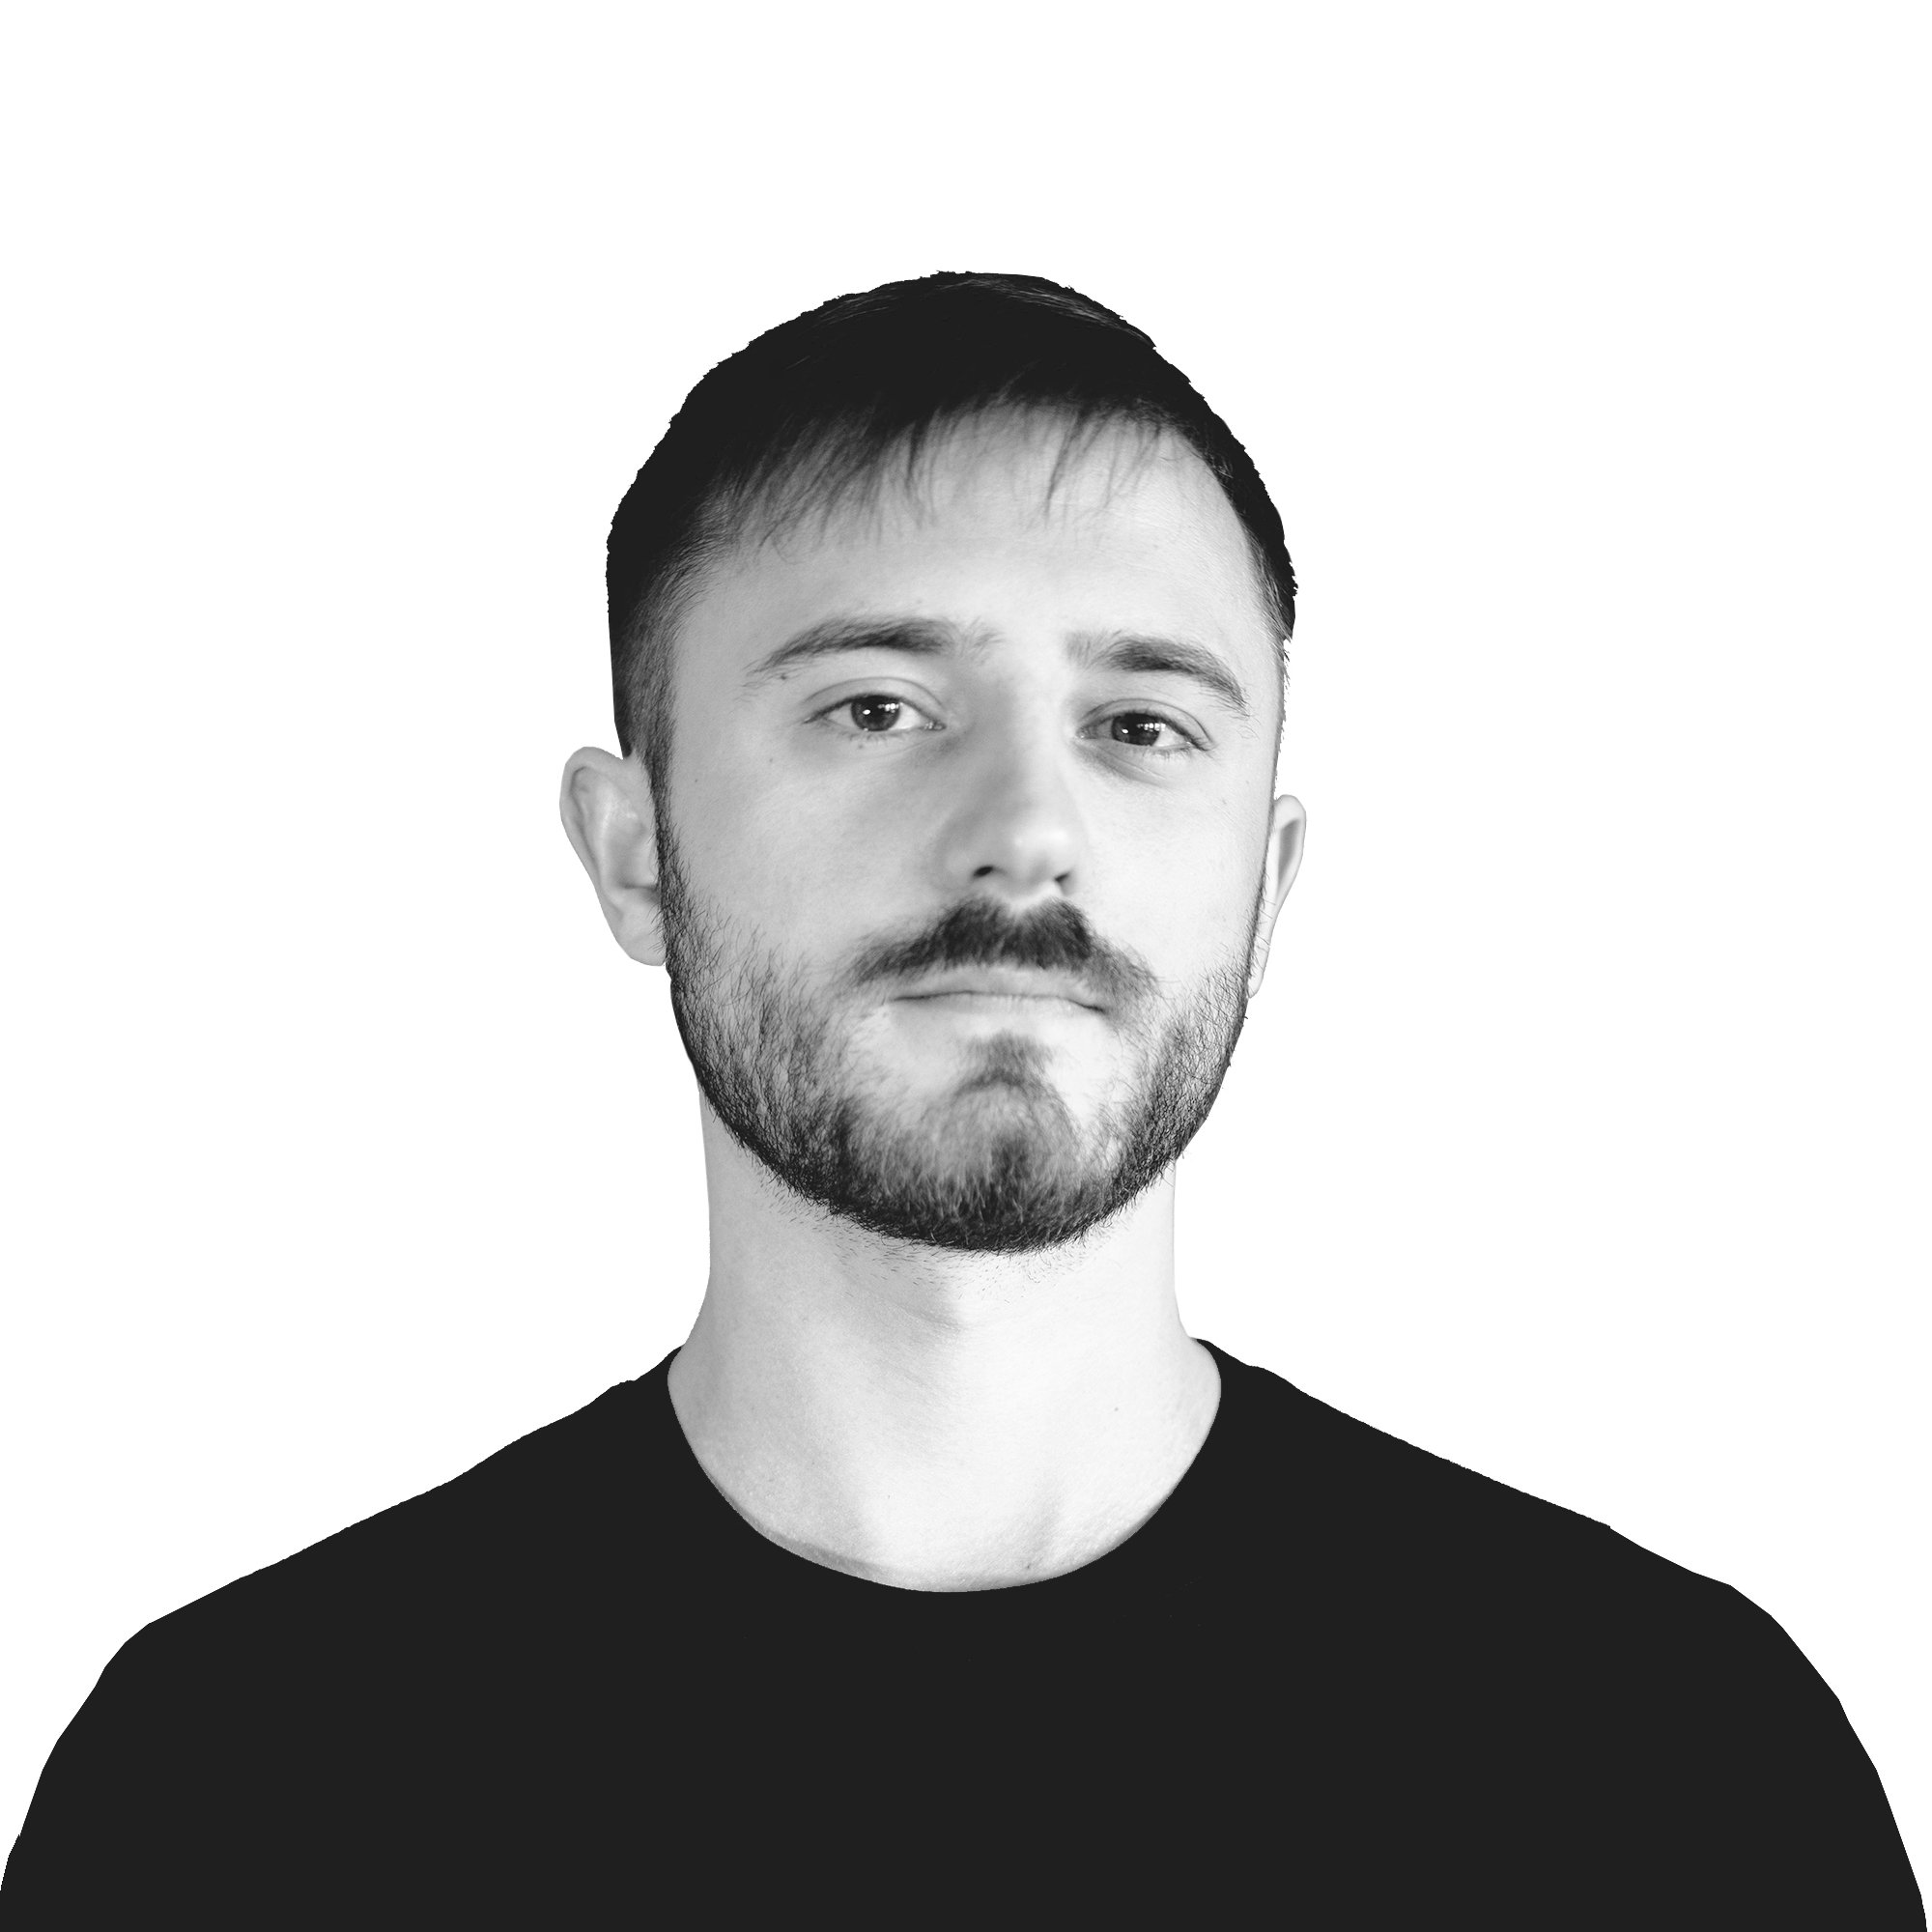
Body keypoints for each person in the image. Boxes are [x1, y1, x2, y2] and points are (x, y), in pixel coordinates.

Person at [4, 271, 1919, 1925]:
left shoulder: (1679, 1777)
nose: (1024, 830)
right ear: (636, 851)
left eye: (1141, 726)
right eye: (876, 708)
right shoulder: (232, 1795)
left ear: (1267, 888)